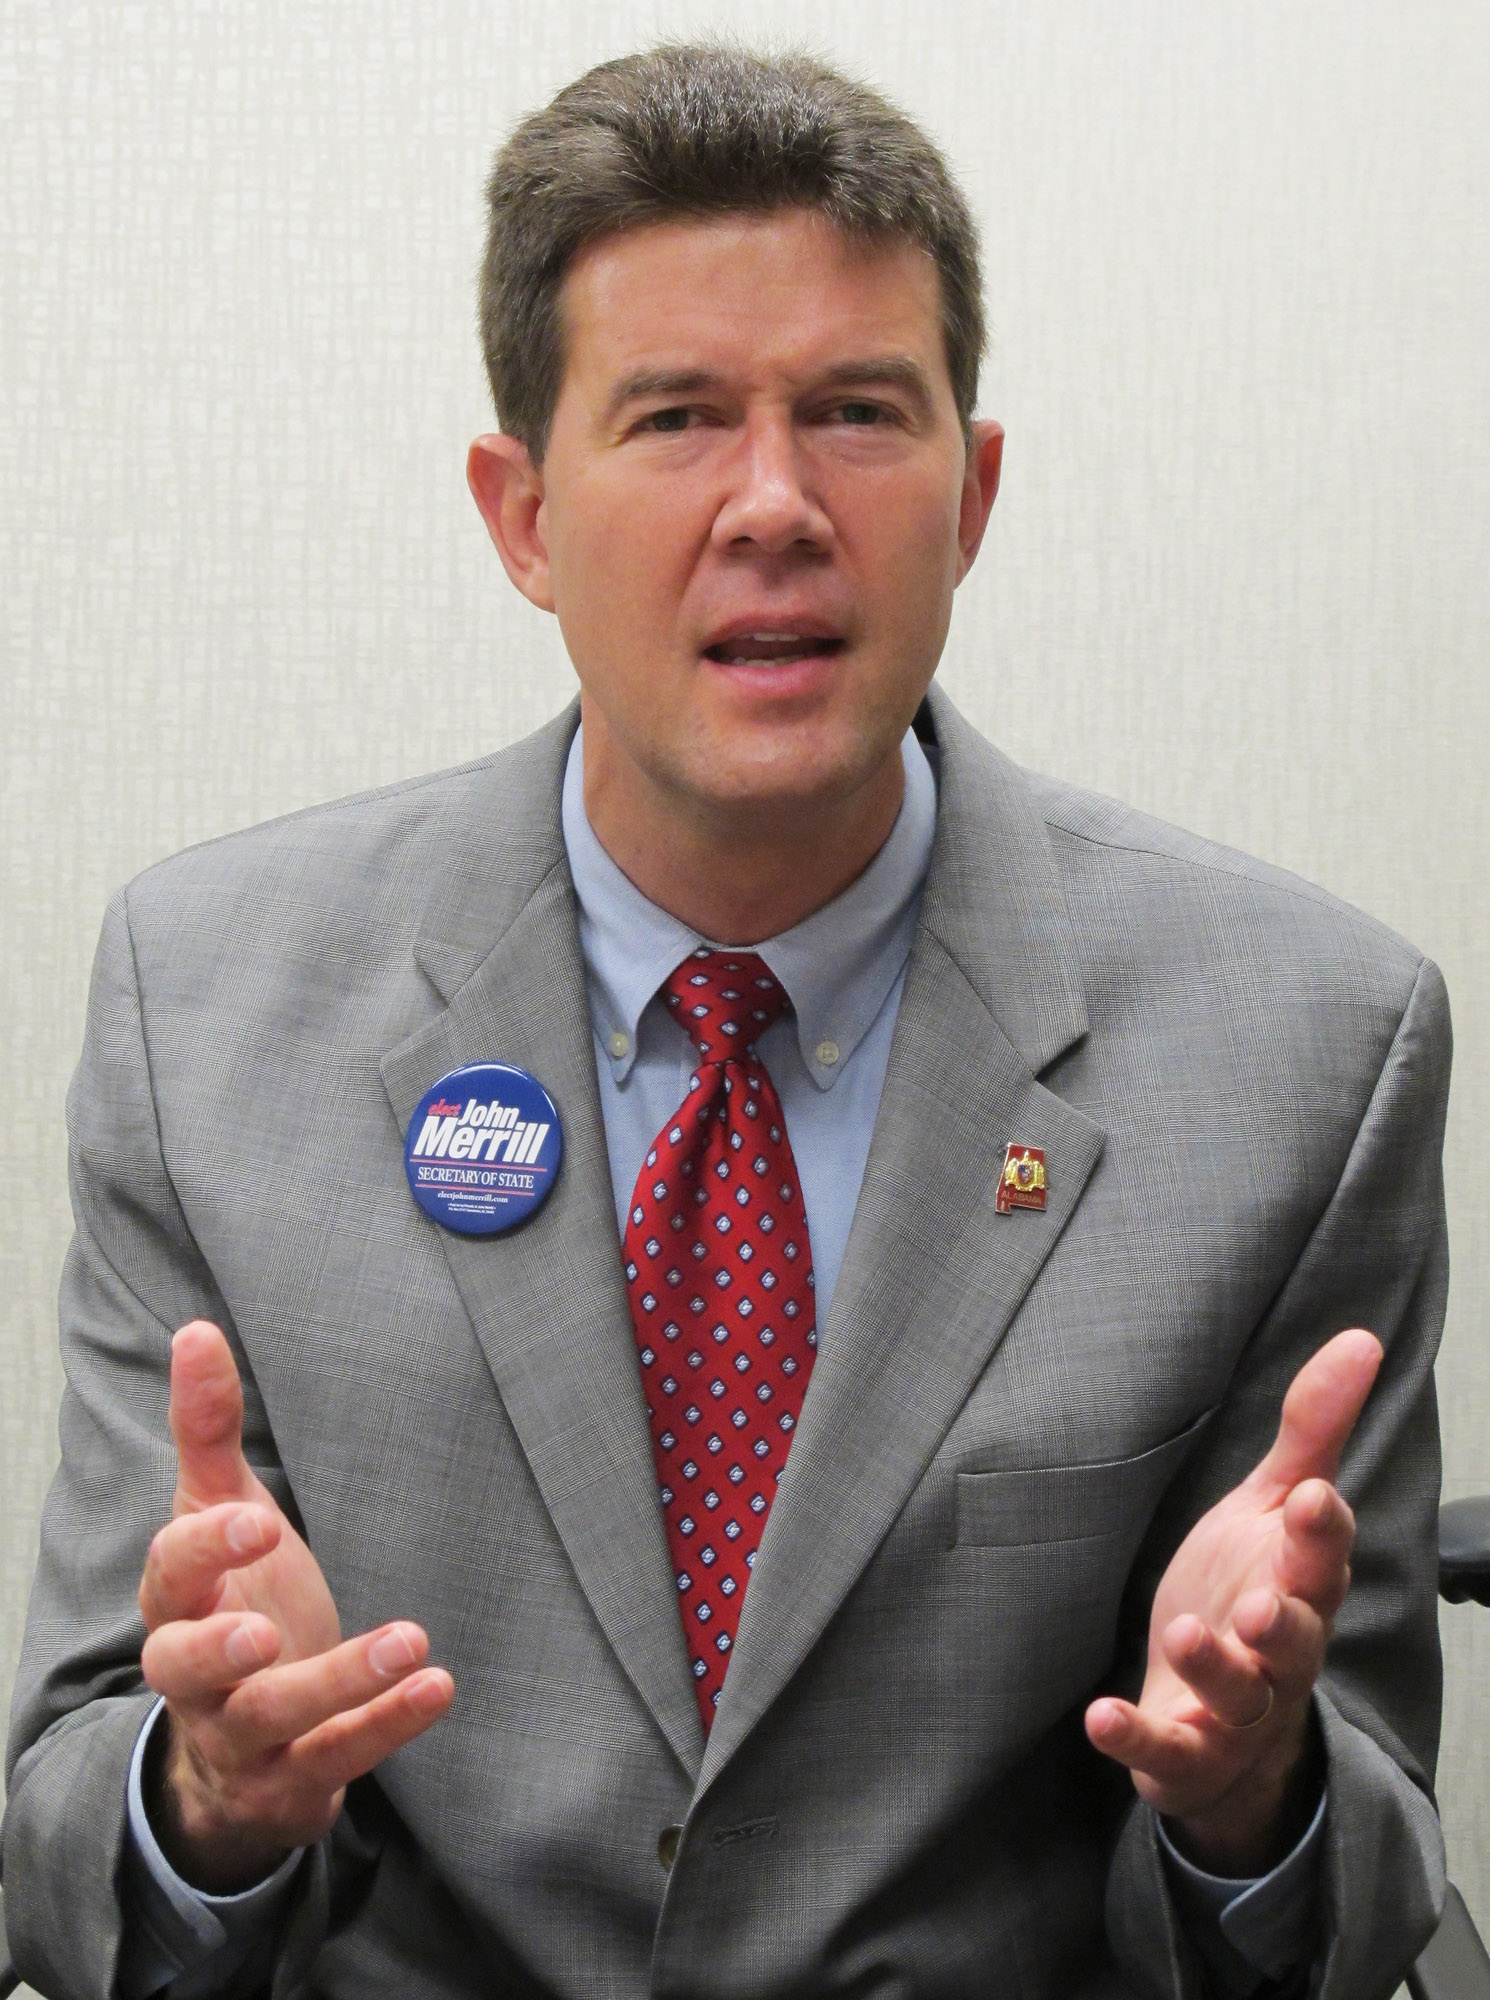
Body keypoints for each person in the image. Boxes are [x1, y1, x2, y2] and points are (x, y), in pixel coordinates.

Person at [2, 43, 1449, 2000]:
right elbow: (66, 1832)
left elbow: (1356, 1907)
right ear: (519, 515)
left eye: (858, 412)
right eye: (675, 416)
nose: (773, 505)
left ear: (976, 490)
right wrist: (209, 1802)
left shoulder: (1303, 1054)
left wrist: (1245, 1789)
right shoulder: (212, 1005)